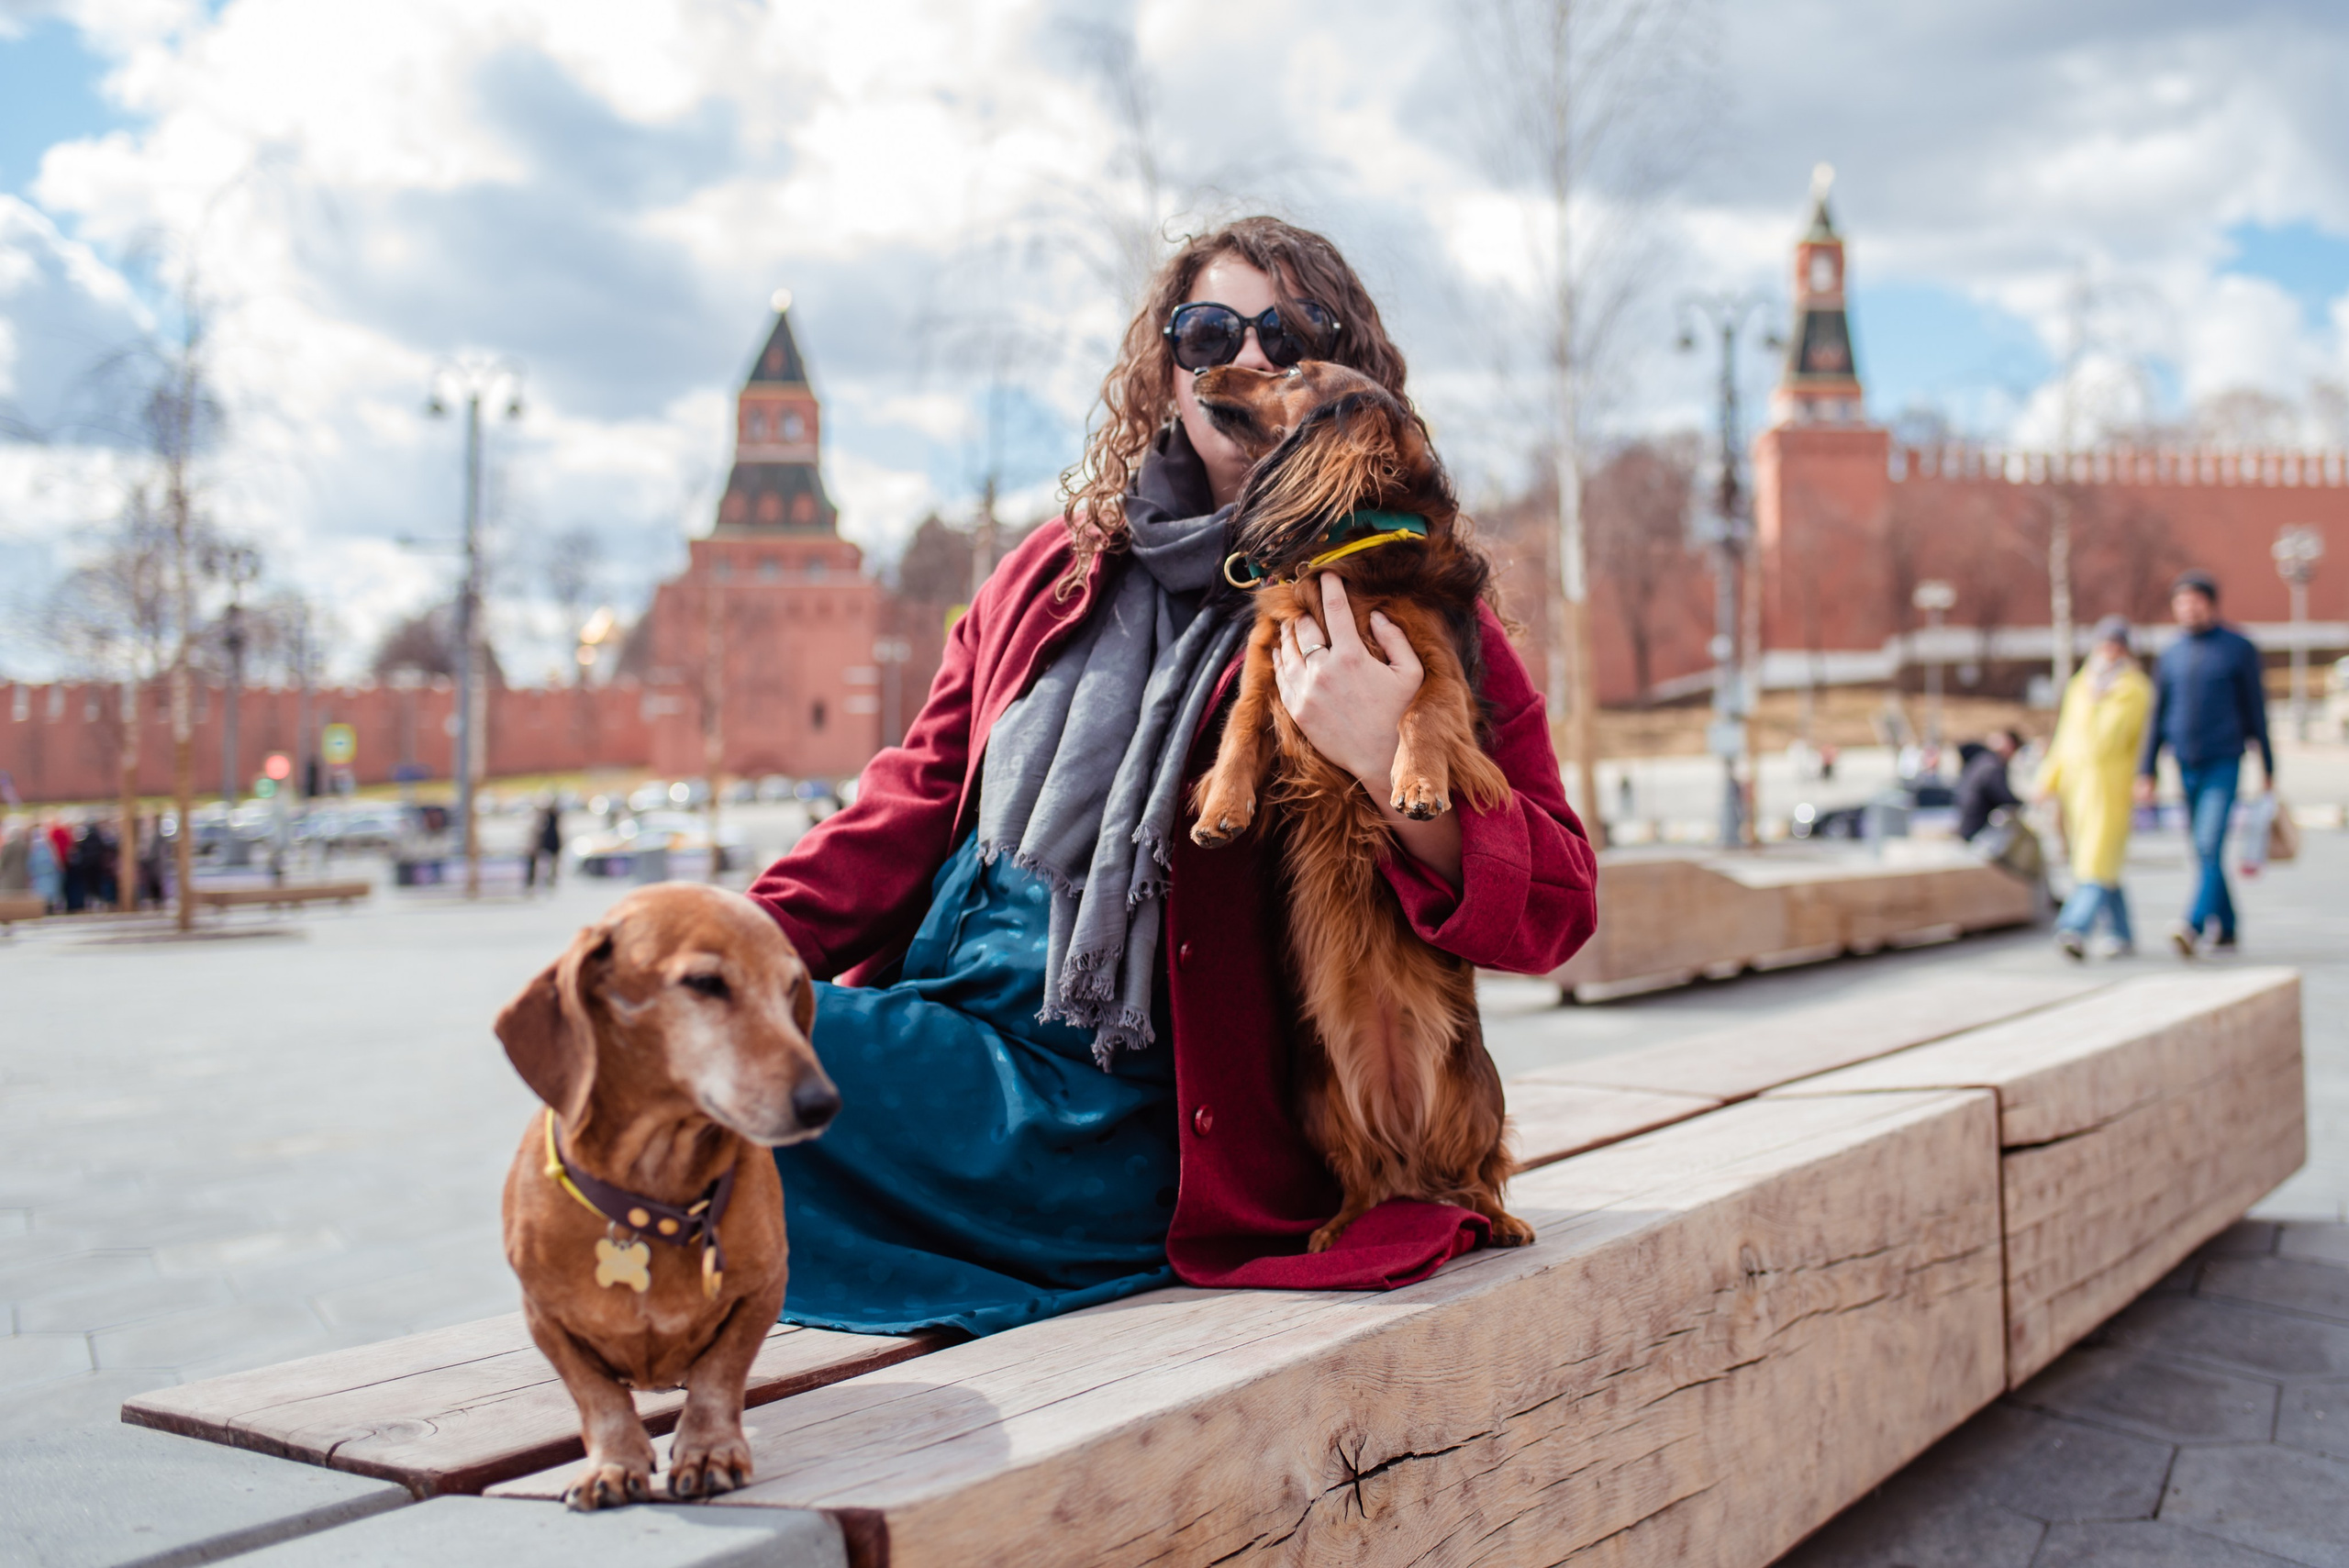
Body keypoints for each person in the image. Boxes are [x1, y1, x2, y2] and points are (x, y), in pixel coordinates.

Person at [738, 217, 1596, 1340]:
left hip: (1139, 1119)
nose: (1240, 359)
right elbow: (901, 806)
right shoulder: (1051, 573)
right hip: (955, 1019)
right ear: (1165, 368)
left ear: (1347, 375)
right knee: (691, 1032)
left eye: (1286, 335)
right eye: (1206, 332)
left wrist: (1388, 763)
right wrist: (723, 939)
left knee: (721, 1078)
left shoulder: (1408, 596)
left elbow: (1559, 904)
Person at [2136, 570, 2273, 957]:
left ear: (2210, 604)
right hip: (2185, 763)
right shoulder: (2172, 653)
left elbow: (2256, 710)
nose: (2188, 609)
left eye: (2195, 601)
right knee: (2203, 850)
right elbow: (2157, 715)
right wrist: (2146, 770)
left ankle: (2193, 924)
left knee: (2208, 842)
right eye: (2181, 602)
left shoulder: (2237, 647)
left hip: (2224, 761)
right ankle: (2227, 926)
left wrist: (2269, 767)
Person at [2038, 616, 2153, 960]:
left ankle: (2074, 926)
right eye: (2105, 643)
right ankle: (2122, 933)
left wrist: (2145, 778)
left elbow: (2137, 742)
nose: (2110, 651)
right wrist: (2047, 779)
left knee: (2096, 861)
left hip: (2112, 785)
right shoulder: (2080, 685)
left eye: (2117, 645)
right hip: (2077, 786)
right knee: (2101, 862)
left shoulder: (2135, 689)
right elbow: (2064, 737)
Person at [1954, 729, 2023, 842]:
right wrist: (2025, 803)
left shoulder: (1983, 760)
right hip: (1978, 831)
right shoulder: (1993, 768)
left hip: (1967, 826)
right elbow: (2006, 798)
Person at [526, 799, 562, 893]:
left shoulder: (551, 817)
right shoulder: (541, 817)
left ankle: (548, 879)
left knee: (551, 863)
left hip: (549, 841)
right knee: (543, 862)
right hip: (544, 842)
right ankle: (536, 880)